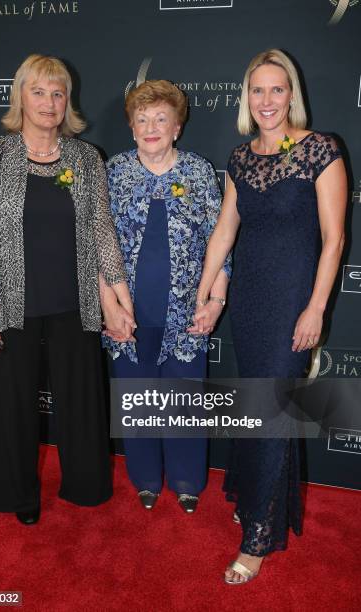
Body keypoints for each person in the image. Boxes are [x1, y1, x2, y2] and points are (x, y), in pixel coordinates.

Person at [192, 49, 347, 583]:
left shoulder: (320, 150)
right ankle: (259, 496)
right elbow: (224, 231)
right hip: (251, 302)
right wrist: (207, 288)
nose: (267, 100)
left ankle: (259, 535)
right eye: (257, 90)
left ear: (292, 94)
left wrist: (316, 308)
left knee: (273, 406)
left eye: (276, 89)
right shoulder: (240, 157)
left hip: (291, 302)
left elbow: (335, 241)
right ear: (246, 97)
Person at [0, 54, 134, 525]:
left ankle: (86, 486)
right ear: (20, 96)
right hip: (10, 307)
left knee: (82, 407)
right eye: (38, 91)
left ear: (67, 102)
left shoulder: (86, 158)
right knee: (10, 409)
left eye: (57, 93)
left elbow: (102, 234)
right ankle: (18, 496)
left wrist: (117, 302)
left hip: (75, 305)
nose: (49, 102)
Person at [102, 80, 232, 513]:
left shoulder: (198, 171)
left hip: (187, 312)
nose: (151, 127)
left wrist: (215, 302)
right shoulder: (115, 171)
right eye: (142, 119)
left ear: (178, 126)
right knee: (137, 397)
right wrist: (110, 307)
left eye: (161, 118)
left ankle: (187, 479)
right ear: (131, 127)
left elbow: (220, 243)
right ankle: (144, 478)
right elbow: (98, 245)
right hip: (127, 311)